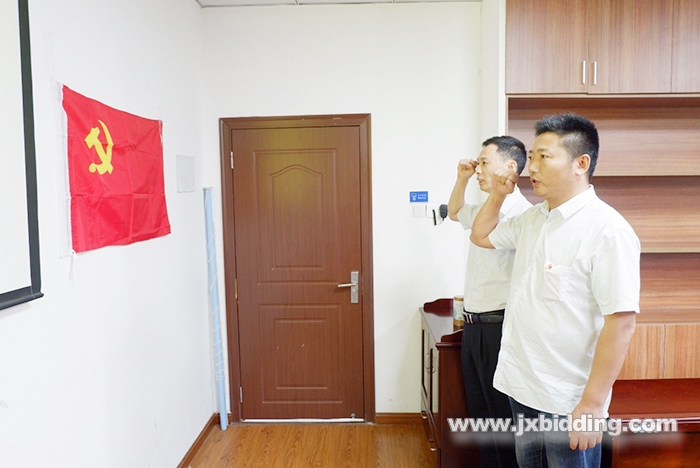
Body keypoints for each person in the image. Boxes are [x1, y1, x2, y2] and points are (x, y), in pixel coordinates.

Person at [470, 113, 640, 468]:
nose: (532, 167)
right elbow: (481, 235)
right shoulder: (534, 218)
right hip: (523, 386)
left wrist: (592, 405)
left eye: (544, 157)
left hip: (568, 399)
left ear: (581, 163)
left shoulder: (607, 230)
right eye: (531, 156)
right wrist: (498, 196)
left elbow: (621, 322)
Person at [447, 136, 531, 468]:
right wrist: (462, 178)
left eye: (484, 162)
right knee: (480, 412)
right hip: (474, 325)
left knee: (501, 414)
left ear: (510, 167)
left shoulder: (523, 215)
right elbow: (454, 212)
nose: (478, 169)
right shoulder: (486, 209)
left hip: (500, 325)